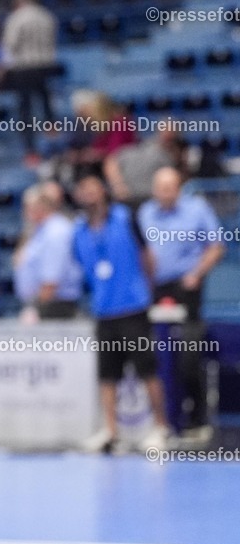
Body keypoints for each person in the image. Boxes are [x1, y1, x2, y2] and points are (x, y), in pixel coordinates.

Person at [72, 176, 171, 453]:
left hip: (133, 308)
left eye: (93, 188)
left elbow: (147, 257)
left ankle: (160, 427)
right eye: (83, 190)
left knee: (147, 371)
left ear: (102, 191)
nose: (89, 194)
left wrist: (145, 291)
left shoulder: (125, 218)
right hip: (104, 311)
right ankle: (111, 431)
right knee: (107, 375)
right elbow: (84, 268)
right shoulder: (79, 229)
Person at [137, 168, 224, 439]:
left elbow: (217, 245)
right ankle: (160, 421)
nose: (166, 192)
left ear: (179, 187)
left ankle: (196, 418)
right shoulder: (145, 213)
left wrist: (196, 273)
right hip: (155, 288)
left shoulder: (196, 208)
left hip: (187, 287)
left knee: (189, 352)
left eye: (171, 186)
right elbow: (141, 252)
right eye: (161, 187)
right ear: (154, 189)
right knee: (151, 354)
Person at [0, 0, 59, 165]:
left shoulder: (16, 18)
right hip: (46, 65)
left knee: (25, 109)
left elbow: (9, 45)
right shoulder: (47, 16)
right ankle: (52, 126)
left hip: (24, 67)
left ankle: (30, 151)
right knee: (45, 96)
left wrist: (3, 68)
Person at [13, 185, 83, 321]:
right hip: (42, 302)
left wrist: (36, 309)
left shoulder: (55, 232)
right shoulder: (39, 230)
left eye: (28, 207)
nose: (25, 213)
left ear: (41, 207)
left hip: (55, 305)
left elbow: (51, 279)